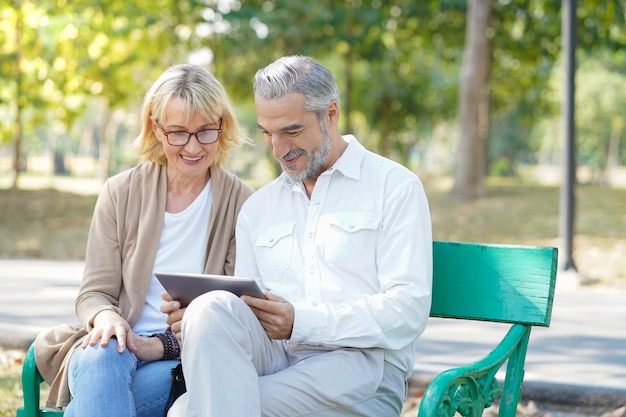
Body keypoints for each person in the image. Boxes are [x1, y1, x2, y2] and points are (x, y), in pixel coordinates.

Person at [169, 55, 432, 416]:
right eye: (267, 133)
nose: (278, 149)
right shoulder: (258, 209)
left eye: (291, 131)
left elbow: (408, 309)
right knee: (210, 309)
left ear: (331, 113)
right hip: (279, 362)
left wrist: (301, 322)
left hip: (362, 368)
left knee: (188, 411)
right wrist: (194, 320)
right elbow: (249, 313)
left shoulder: (394, 187)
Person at [33, 63, 254, 417]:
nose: (193, 147)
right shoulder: (120, 192)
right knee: (104, 352)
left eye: (205, 132)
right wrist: (107, 317)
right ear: (156, 128)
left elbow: (233, 315)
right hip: (112, 349)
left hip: (183, 357)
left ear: (222, 127)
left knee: (95, 402)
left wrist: (159, 346)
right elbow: (93, 293)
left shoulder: (241, 203)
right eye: (178, 133)